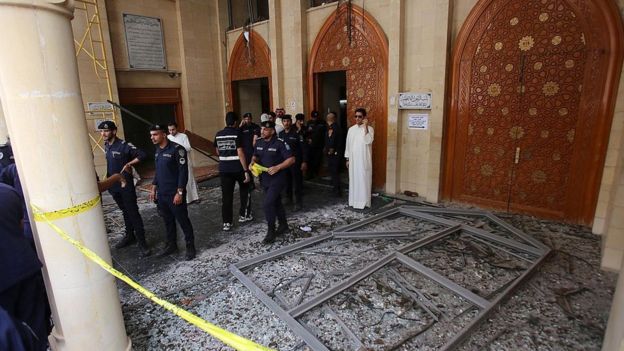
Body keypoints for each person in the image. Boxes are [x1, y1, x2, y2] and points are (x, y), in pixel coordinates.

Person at [0, 183, 50, 351]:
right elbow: (21, 224)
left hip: (5, 282)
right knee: (35, 326)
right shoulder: (7, 191)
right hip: (26, 268)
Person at [98, 121, 151, 256]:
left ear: (114, 131)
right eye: (102, 131)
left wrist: (130, 163)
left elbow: (142, 154)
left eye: (106, 131)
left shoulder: (124, 146)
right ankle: (129, 235)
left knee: (133, 212)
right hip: (114, 186)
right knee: (124, 211)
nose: (103, 134)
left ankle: (142, 242)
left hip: (125, 185)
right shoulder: (107, 145)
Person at [150, 124, 196, 260]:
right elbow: (158, 171)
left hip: (174, 193)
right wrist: (154, 187)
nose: (152, 137)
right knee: (168, 221)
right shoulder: (157, 150)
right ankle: (172, 245)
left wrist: (180, 192)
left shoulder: (177, 149)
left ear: (164, 134)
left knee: (183, 220)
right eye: (151, 135)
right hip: (162, 193)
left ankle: (190, 247)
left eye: (155, 134)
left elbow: (183, 172)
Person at [250, 121, 295, 244]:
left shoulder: (280, 143)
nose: (262, 131)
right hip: (265, 179)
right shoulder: (258, 142)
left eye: (265, 129)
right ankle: (283, 224)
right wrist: (252, 162)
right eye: (261, 129)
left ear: (272, 131)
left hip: (278, 178)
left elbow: (291, 159)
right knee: (276, 202)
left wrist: (278, 167)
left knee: (267, 204)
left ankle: (271, 231)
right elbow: (256, 155)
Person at [215, 112, 252, 231]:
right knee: (245, 190)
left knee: (226, 197)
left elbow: (217, 151)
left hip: (224, 169)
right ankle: (243, 215)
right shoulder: (237, 134)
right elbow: (240, 152)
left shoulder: (218, 134)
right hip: (238, 168)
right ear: (236, 122)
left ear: (226, 121)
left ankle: (227, 222)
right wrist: (246, 170)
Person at [345, 108, 374, 209]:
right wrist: (347, 159)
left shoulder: (369, 129)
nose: (357, 118)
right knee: (354, 180)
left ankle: (365, 202)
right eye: (356, 116)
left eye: (360, 116)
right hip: (353, 161)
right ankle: (354, 202)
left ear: (364, 117)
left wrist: (365, 126)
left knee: (364, 180)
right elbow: (348, 145)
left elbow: (368, 141)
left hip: (364, 161)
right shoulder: (351, 129)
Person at [278, 114, 307, 211]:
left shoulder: (297, 133)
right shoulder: (281, 134)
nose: (286, 123)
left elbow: (304, 148)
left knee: (297, 183)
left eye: (288, 121)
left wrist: (304, 161)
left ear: (291, 122)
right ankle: (288, 198)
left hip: (296, 162)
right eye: (284, 121)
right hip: (285, 163)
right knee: (287, 182)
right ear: (282, 123)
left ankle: (298, 202)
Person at [167, 122, 200, 204]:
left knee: (189, 178)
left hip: (184, 160)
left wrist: (177, 147)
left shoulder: (183, 136)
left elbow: (188, 147)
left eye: (173, 130)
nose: (171, 132)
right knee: (179, 180)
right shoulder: (167, 137)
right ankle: (184, 199)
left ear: (176, 128)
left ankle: (195, 197)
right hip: (174, 163)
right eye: (169, 130)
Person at [325, 111, 342, 197]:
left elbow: (333, 140)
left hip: (335, 153)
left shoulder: (334, 128)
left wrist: (331, 149)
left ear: (334, 118)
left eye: (329, 117)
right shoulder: (330, 127)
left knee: (334, 171)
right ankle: (335, 188)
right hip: (332, 153)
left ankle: (337, 190)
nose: (328, 118)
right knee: (333, 171)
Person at [306, 110, 326, 179]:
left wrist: (325, 146)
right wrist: (308, 139)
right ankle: (309, 174)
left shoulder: (323, 123)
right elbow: (307, 133)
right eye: (314, 117)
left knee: (317, 160)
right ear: (311, 117)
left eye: (316, 117)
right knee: (310, 160)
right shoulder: (309, 122)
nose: (315, 119)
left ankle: (316, 173)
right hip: (310, 145)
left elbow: (325, 135)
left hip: (319, 145)